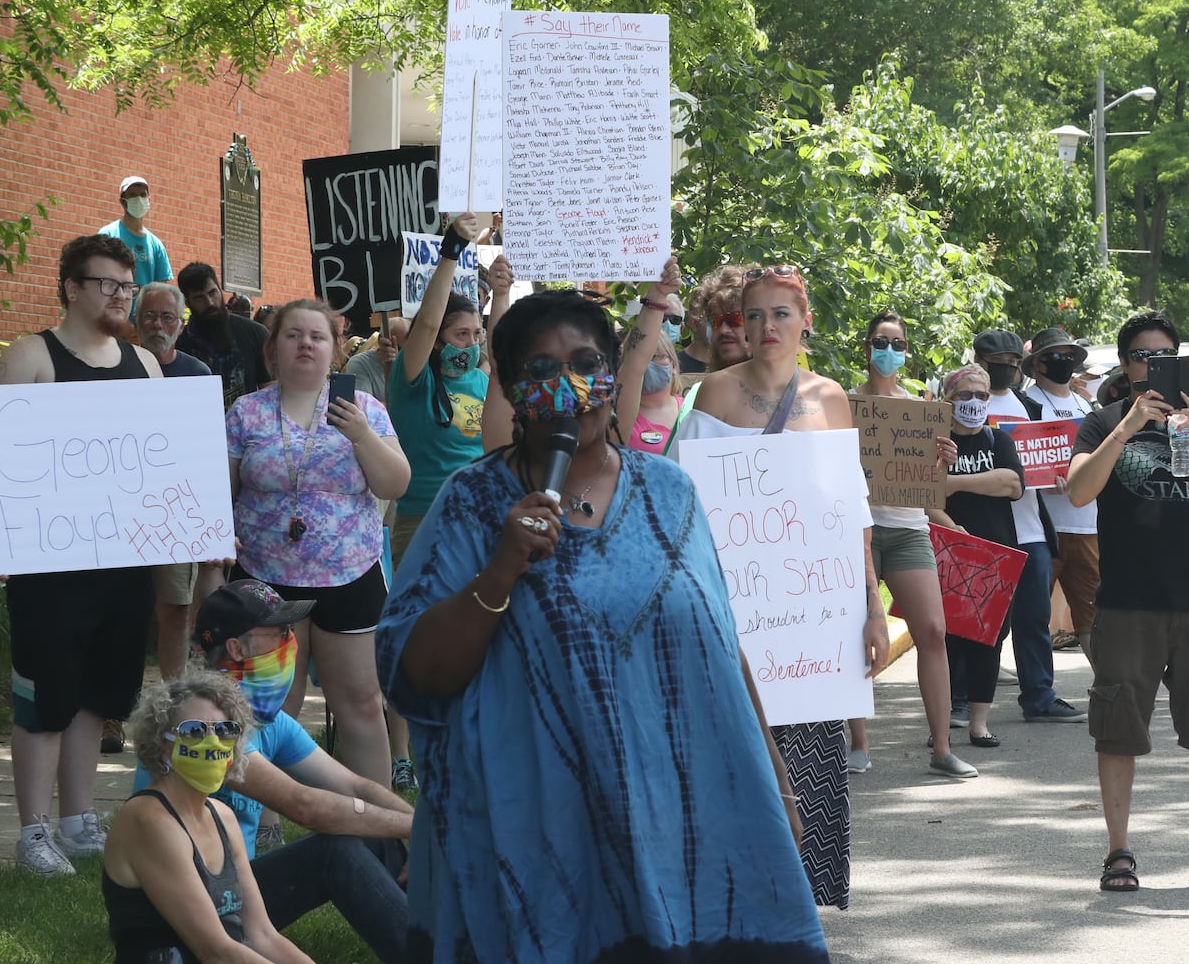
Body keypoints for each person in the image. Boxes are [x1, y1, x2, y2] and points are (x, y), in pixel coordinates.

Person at [379, 287, 830, 962]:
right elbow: (416, 674)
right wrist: (501, 568)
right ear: (507, 384)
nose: (568, 385)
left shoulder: (670, 492)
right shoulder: (470, 503)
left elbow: (721, 651)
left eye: (587, 361)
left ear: (613, 373)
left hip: (683, 818)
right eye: (540, 370)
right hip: (536, 833)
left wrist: (777, 787)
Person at [671, 264, 892, 908]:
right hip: (737, 618)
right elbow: (686, 503)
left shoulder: (831, 399)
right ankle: (738, 906)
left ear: (805, 323)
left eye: (781, 314)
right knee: (735, 755)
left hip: (813, 625)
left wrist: (872, 608)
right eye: (754, 315)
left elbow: (853, 511)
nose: (767, 327)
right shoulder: (712, 394)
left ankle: (804, 911)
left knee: (812, 757)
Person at [0, 234, 163, 875]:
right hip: (48, 567)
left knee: (96, 694)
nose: (120, 296)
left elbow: (160, 467)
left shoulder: (144, 364)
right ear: (72, 288)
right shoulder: (33, 356)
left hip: (122, 563)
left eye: (126, 286)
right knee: (45, 698)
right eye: (108, 284)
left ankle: (79, 821)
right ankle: (33, 833)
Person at [1066, 310, 1189, 893]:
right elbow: (1078, 491)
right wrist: (1125, 428)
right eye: (1143, 357)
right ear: (1127, 367)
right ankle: (1119, 852)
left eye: (1166, 356)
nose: (1154, 366)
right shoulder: (1100, 421)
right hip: (1127, 601)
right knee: (1118, 729)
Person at [141, 580, 413, 964]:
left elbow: (353, 785)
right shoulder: (206, 730)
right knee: (334, 851)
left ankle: (450, 940)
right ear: (237, 648)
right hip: (186, 911)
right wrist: (419, 829)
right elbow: (304, 806)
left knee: (379, 837)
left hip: (234, 891)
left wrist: (423, 828)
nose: (291, 641)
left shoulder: (266, 721)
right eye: (279, 632)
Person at [222, 299, 410, 787]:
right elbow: (222, 494)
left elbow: (395, 484)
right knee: (265, 704)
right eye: (293, 335)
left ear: (336, 351)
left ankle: (375, 824)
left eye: (317, 336)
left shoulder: (364, 409)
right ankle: (256, 823)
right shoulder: (247, 412)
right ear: (273, 348)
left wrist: (363, 436)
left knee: (363, 703)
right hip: (263, 579)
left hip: (349, 576)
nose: (306, 344)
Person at [104, 671, 317, 963]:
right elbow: (215, 951)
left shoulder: (224, 818)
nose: (213, 742)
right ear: (162, 743)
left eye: (226, 730)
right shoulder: (150, 821)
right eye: (194, 731)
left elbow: (262, 935)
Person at [846, 312, 975, 775]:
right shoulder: (845, 404)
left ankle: (942, 749)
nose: (890, 351)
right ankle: (858, 743)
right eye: (882, 341)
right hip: (856, 529)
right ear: (867, 347)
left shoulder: (922, 408)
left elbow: (928, 486)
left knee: (934, 631)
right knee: (852, 634)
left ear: (907, 351)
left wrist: (945, 460)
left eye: (898, 344)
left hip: (908, 530)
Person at [973, 328, 1086, 724]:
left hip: (1032, 529)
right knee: (981, 621)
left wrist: (1060, 475)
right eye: (995, 363)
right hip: (984, 529)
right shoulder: (967, 406)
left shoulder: (1029, 406)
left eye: (1009, 363)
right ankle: (961, 698)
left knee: (1034, 619)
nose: (1003, 369)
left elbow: (1054, 458)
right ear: (979, 363)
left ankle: (1039, 695)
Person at [928, 365, 1023, 749]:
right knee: (945, 638)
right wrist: (952, 525)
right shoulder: (935, 444)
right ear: (948, 400)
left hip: (997, 554)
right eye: (964, 395)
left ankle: (979, 724)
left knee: (991, 639)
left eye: (981, 395)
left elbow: (1012, 484)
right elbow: (922, 496)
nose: (973, 403)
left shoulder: (998, 440)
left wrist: (953, 482)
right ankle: (941, 723)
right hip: (949, 550)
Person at [385, 214, 485, 563]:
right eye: (461, 334)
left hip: (478, 517)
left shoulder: (481, 381)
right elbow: (426, 323)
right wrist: (451, 252)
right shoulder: (414, 377)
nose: (472, 343)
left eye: (476, 334)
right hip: (422, 520)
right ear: (438, 341)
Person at [136, 282, 210, 685]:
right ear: (136, 320)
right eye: (150, 315)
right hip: (119, 509)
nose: (158, 325)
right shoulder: (115, 367)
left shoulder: (196, 374)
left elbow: (207, 452)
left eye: (167, 317)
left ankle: (172, 702)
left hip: (175, 510)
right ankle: (116, 705)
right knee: (123, 610)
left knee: (176, 609)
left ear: (181, 325)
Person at [1021, 328, 1099, 664]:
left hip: (1087, 524)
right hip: (1042, 527)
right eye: (1053, 356)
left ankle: (1110, 686)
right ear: (1036, 364)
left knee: (1094, 615)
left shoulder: (1087, 404)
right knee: (1034, 615)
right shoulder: (1026, 405)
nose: (1061, 362)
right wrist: (1038, 479)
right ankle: (1040, 692)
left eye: (1067, 356)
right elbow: (1018, 461)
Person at [175, 261, 271, 411]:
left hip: (247, 430)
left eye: (213, 293)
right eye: (199, 297)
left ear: (220, 290)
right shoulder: (179, 344)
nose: (210, 302)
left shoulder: (255, 334)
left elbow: (270, 393)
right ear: (187, 302)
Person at [614, 268, 685, 453]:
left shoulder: (692, 408)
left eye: (655, 357)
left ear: (674, 366)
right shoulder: (619, 416)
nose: (647, 364)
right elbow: (634, 365)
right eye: (646, 358)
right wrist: (656, 296)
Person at [98, 175, 172, 317]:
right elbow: (98, 280)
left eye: (142, 195)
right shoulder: (107, 235)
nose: (138, 199)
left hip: (144, 324)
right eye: (132, 195)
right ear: (122, 201)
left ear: (149, 200)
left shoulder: (156, 245)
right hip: (113, 320)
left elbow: (162, 291)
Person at [676, 264, 749, 379]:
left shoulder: (784, 390)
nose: (723, 329)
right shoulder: (705, 391)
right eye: (716, 320)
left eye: (734, 319)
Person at [345, 318, 410, 405]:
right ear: (380, 340)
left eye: (408, 348)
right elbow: (364, 407)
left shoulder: (415, 362)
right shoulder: (360, 363)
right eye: (397, 347)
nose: (401, 355)